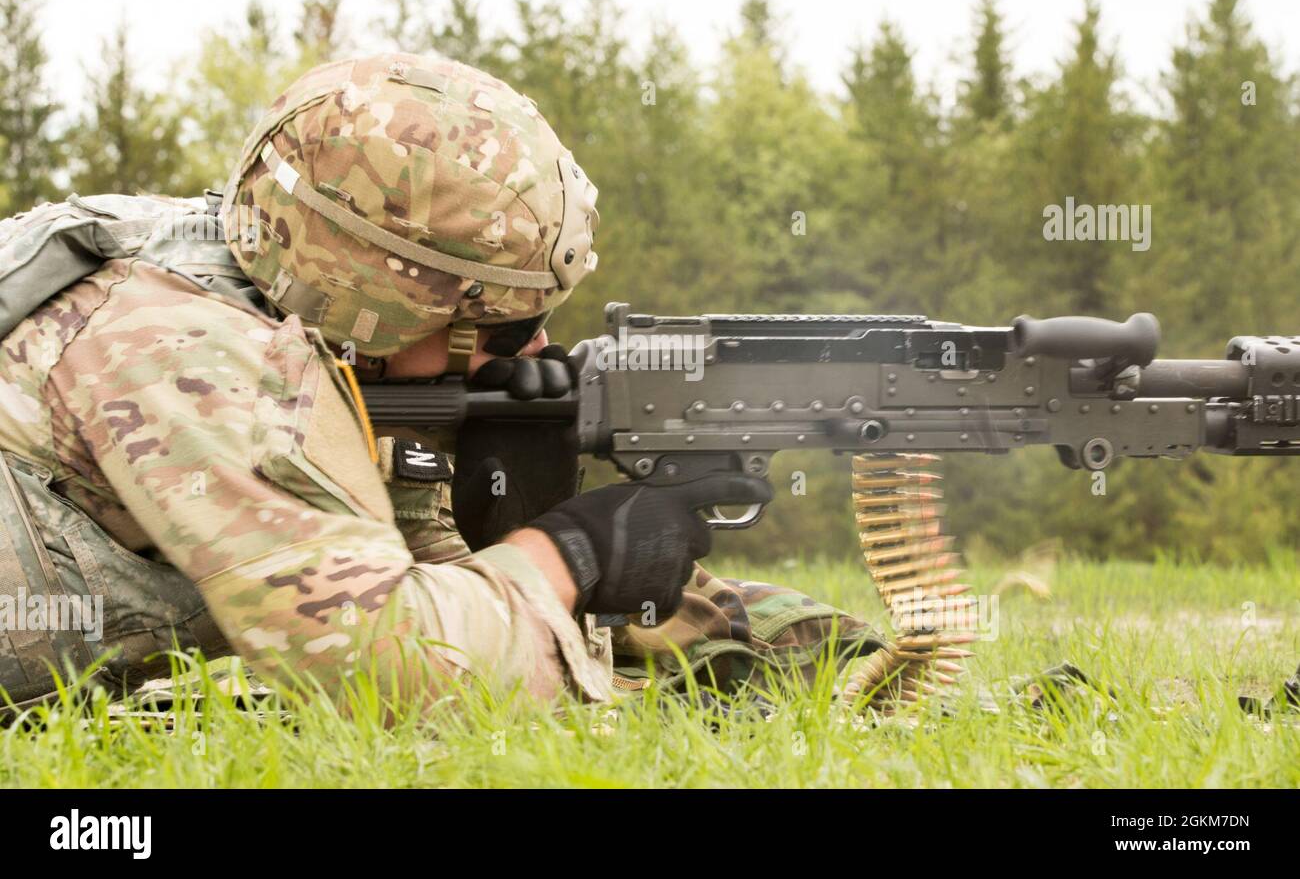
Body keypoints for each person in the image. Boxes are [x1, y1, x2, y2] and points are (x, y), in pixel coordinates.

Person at [0, 53, 884, 711]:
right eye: (500, 323)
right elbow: (393, 663)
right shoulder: (184, 349)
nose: (535, 342)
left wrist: (805, 645)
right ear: (378, 298)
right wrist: (574, 552)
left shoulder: (287, 290)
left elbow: (449, 581)